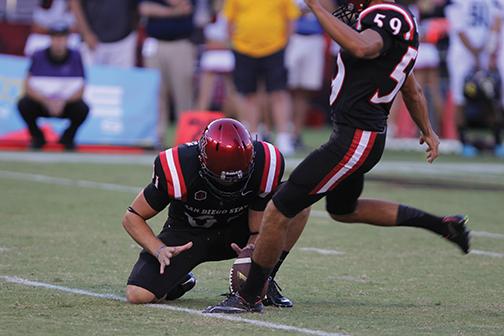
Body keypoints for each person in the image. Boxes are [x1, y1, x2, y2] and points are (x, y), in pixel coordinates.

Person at [204, 0, 471, 314]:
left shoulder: (387, 16)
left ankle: (250, 296)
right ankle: (443, 225)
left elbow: (362, 48)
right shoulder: (395, 24)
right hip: (360, 136)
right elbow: (411, 89)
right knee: (344, 209)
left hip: (355, 138)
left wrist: (318, 9)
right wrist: (427, 130)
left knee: (279, 206)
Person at [124, 118, 309, 307]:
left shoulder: (265, 160)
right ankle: (180, 280)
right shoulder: (179, 165)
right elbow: (132, 216)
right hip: (188, 237)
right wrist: (159, 249)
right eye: (222, 179)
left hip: (237, 232)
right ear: (202, 160)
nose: (229, 185)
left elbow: (256, 228)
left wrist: (253, 253)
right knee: (138, 295)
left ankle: (265, 281)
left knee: (297, 203)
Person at [224, 0, 300, 155]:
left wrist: (285, 43)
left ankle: (283, 137)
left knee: (278, 93)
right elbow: (229, 20)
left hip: (275, 47)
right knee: (248, 95)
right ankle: (251, 136)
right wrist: (234, 43)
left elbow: (291, 18)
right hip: (243, 48)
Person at [17, 22, 89, 150]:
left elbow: (82, 88)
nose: (59, 41)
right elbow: (28, 86)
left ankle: (68, 138)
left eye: (62, 37)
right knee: (23, 104)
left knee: (83, 109)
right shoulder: (38, 55)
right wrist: (46, 101)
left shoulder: (76, 56)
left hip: (66, 104)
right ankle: (38, 137)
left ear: (67, 39)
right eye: (55, 37)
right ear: (50, 39)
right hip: (42, 103)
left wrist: (63, 101)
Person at [445, 0, 501, 156]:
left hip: (483, 52)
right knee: (459, 97)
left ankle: (496, 139)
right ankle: (463, 140)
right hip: (462, 53)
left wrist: (488, 48)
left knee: (490, 94)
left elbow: (495, 23)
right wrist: (475, 51)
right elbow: (459, 28)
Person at [138, 0, 196, 148]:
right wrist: (173, 12)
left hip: (181, 43)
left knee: (183, 94)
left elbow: (184, 5)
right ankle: (157, 137)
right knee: (156, 93)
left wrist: (161, 10)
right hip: (155, 43)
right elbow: (144, 8)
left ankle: (187, 139)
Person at [70, 0, 138, 68]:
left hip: (124, 41)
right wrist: (86, 33)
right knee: (91, 77)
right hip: (93, 43)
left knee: (123, 77)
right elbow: (74, 2)